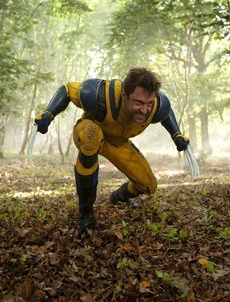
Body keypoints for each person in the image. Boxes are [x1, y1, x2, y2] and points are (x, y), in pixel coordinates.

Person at [35, 67, 189, 238]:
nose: (145, 110)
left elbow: (166, 114)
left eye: (149, 103)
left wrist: (177, 135)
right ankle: (85, 212)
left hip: (118, 143)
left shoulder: (158, 105)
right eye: (138, 102)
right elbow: (67, 90)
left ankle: (119, 197)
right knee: (91, 137)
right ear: (124, 95)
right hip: (90, 130)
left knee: (149, 185)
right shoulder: (98, 95)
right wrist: (49, 114)